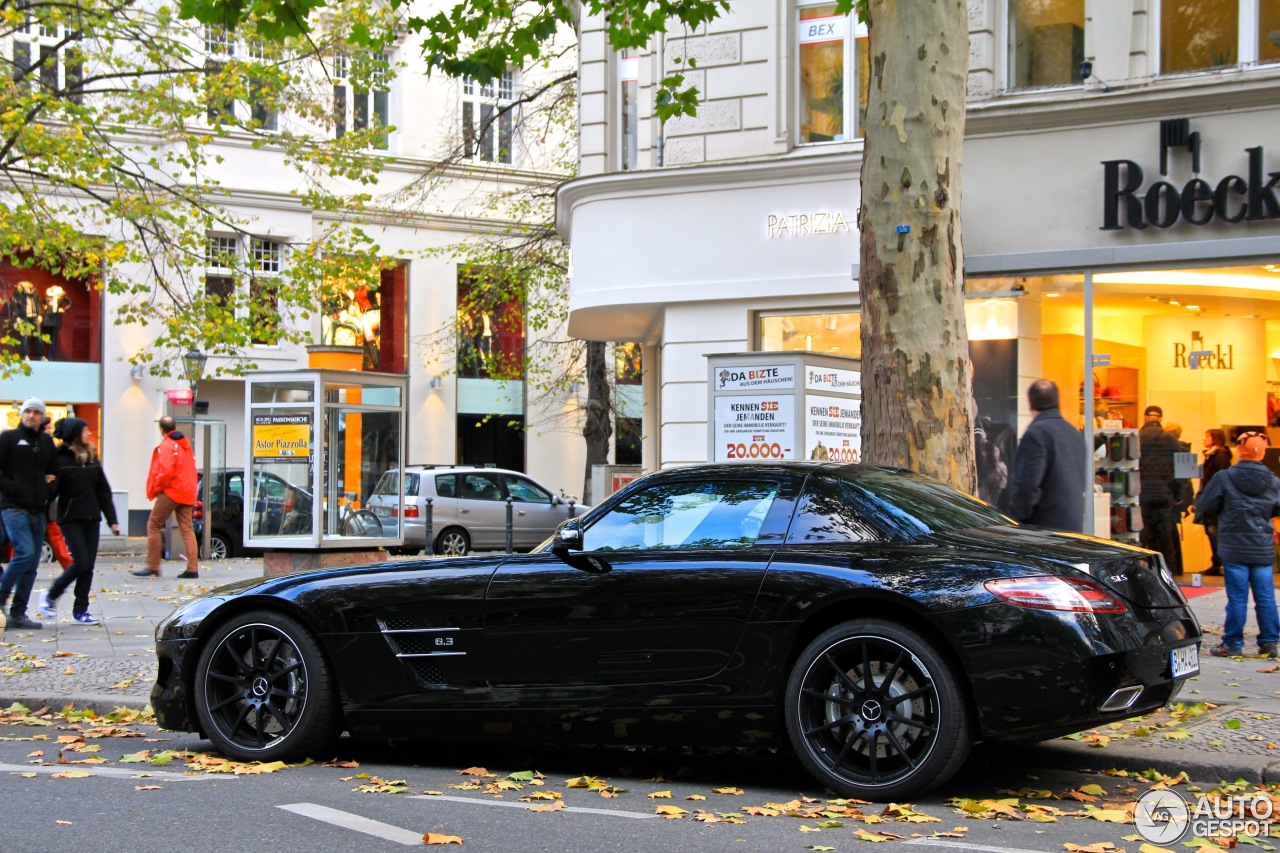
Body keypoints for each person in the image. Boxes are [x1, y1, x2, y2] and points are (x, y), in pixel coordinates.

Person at [1193, 431, 1280, 658]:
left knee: (1237, 598)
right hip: (1261, 546)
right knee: (1266, 597)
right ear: (1263, 451)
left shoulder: (1224, 477)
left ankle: (1232, 643)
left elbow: (1207, 504)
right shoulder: (1273, 481)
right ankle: (1269, 643)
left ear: (1239, 450)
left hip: (1234, 546)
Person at [38, 418, 119, 624]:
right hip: (70, 517)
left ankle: (81, 611)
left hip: (92, 517)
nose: (89, 434)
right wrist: (46, 484)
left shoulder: (91, 457)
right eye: (85, 430)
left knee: (88, 566)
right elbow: (52, 492)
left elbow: (103, 491)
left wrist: (113, 520)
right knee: (81, 562)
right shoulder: (60, 459)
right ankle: (50, 596)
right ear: (75, 433)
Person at [0, 398, 57, 629]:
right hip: (13, 506)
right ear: (22, 414)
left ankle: (18, 613)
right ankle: (2, 596)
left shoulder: (45, 442)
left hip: (38, 509)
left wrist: (48, 490)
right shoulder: (8, 439)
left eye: (36, 412)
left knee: (32, 564)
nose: (31, 415)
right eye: (28, 411)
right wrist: (14, 488)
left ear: (42, 417)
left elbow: (53, 473)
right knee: (24, 553)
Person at [1004, 379, 1087, 532]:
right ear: (1058, 401)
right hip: (1074, 527)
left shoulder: (1036, 434)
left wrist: (1015, 522)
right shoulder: (1074, 434)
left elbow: (1026, 486)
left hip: (1044, 531)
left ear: (1030, 405)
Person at [134, 416, 199, 579]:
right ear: (174, 427)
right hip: (187, 491)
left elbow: (166, 471)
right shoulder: (186, 445)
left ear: (161, 430)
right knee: (187, 528)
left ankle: (153, 566)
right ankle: (193, 568)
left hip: (172, 491)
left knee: (153, 524)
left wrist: (156, 488)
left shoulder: (167, 445)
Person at [1139, 404, 1183, 575]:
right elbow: (1179, 468)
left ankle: (1140, 569)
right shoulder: (1171, 439)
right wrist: (1178, 493)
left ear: (1145, 418)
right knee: (1165, 534)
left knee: (1141, 533)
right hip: (1164, 492)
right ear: (1160, 419)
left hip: (1141, 493)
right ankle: (1168, 570)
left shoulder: (1138, 437)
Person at [40, 417, 74, 573]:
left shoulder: (50, 448)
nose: (50, 431)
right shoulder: (42, 447)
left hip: (47, 504)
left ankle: (69, 568)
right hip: (37, 502)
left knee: (55, 535)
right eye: (47, 428)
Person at [1199, 428, 1233, 576]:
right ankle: (1217, 562)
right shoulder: (1211, 456)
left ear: (1215, 439)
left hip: (1215, 500)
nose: (1204, 440)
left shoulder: (1220, 457)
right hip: (1210, 498)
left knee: (1214, 531)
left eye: (1207, 437)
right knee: (1210, 530)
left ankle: (1219, 563)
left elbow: (1222, 480)